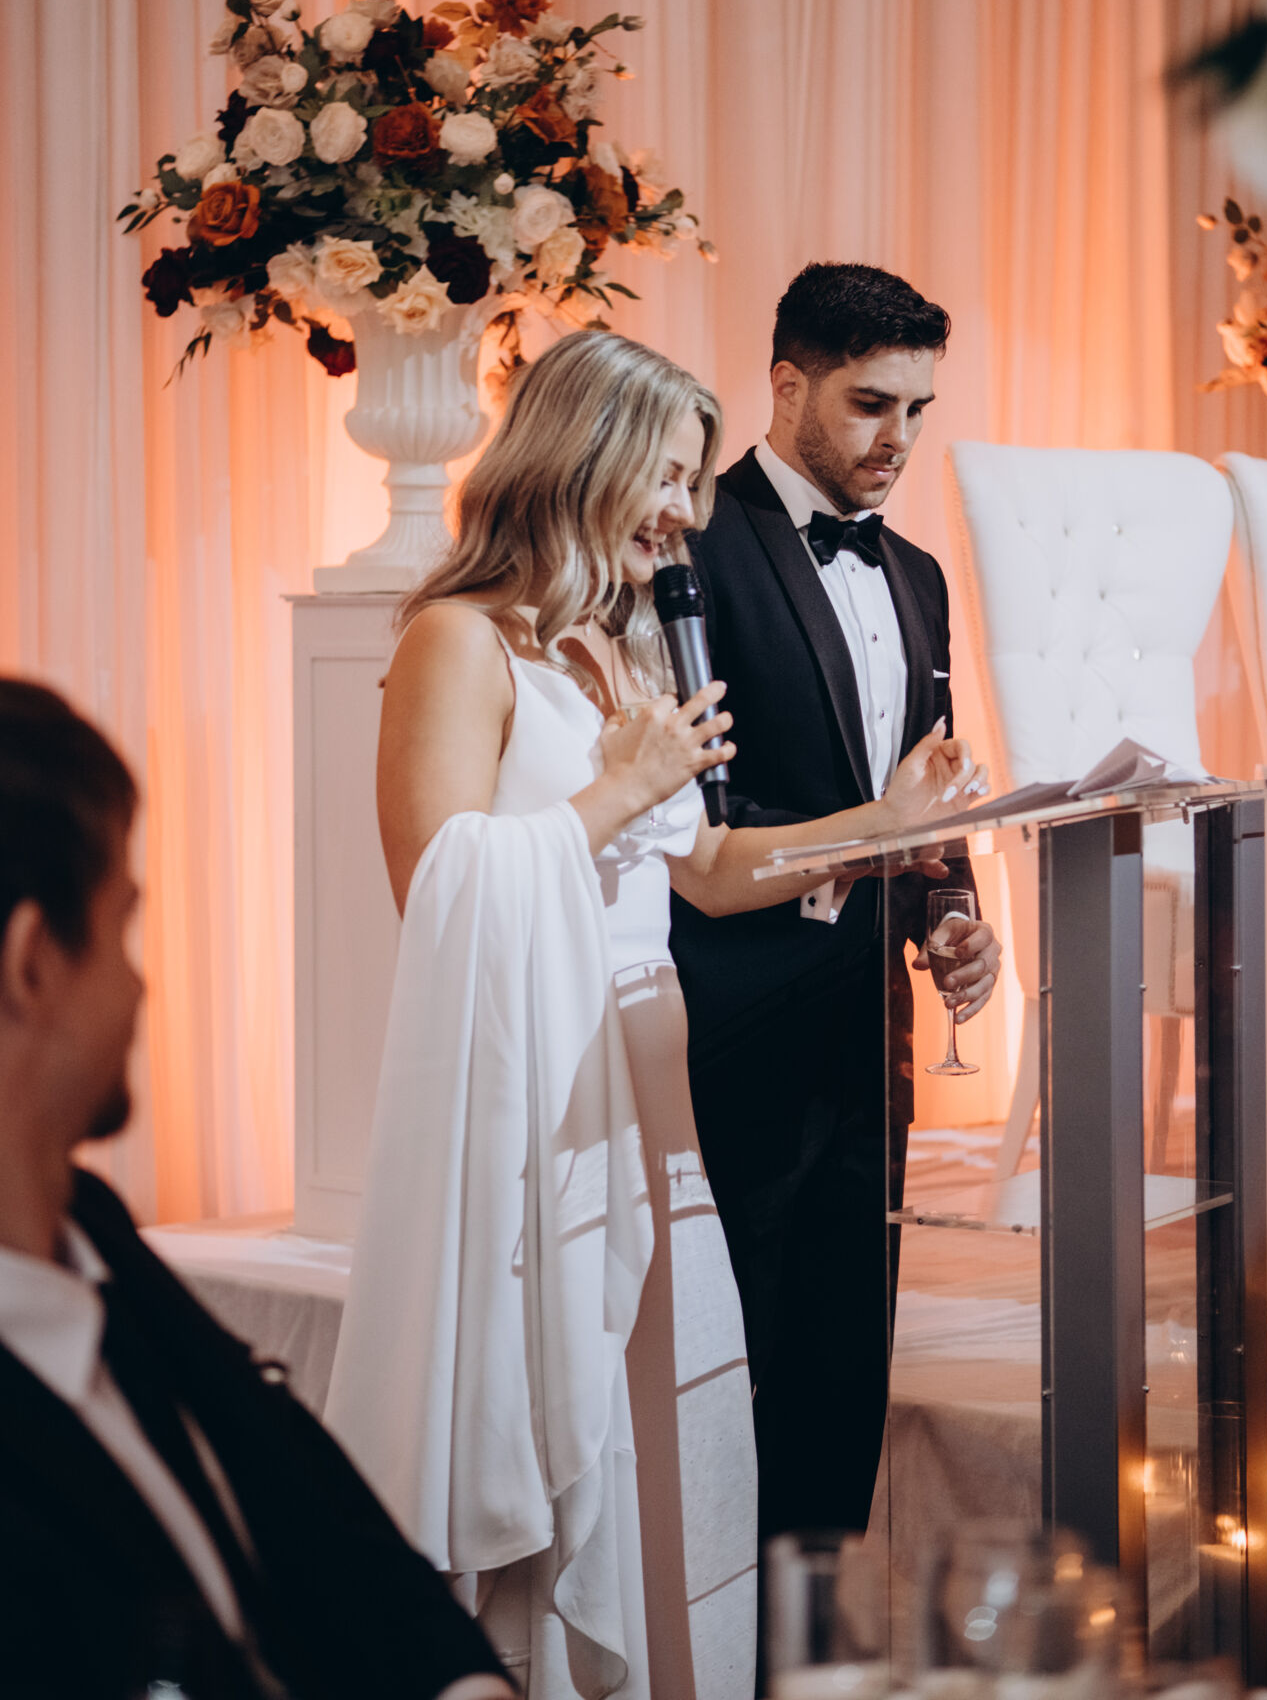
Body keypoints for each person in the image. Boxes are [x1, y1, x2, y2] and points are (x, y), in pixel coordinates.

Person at [323, 329, 985, 1700]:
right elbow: (438, 887)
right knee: (554, 1422)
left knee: (657, 1439)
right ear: (585, 456)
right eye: (669, 478)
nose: (686, 514)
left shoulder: (610, 656)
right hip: (538, 1101)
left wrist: (885, 825)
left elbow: (719, 870)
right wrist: (618, 790)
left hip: (651, 1107)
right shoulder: (455, 640)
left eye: (692, 481)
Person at [0, 677, 514, 1700]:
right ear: (34, 965)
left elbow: (307, 1501)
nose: (141, 986)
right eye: (123, 928)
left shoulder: (89, 1227)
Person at [668, 262, 1003, 1544]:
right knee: (728, 1377)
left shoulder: (915, 572)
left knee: (840, 1376)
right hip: (729, 1019)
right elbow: (690, 815)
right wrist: (871, 841)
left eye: (916, 410)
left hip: (867, 1032)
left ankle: (811, 1633)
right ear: (786, 384)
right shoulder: (691, 540)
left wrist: (947, 916)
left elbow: (929, 785)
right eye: (870, 405)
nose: (897, 439)